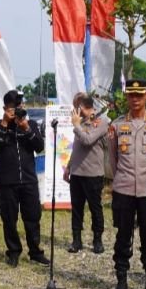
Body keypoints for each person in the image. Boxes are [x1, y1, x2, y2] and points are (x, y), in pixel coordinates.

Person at [108, 79, 146, 289]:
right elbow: (112, 160)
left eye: (139, 95)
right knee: (123, 236)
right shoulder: (117, 125)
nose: (134, 99)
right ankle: (121, 282)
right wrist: (122, 177)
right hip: (123, 189)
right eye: (131, 95)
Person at [0, 90, 49, 267]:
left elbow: (39, 147)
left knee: (33, 217)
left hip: (28, 180)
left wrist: (26, 128)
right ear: (5, 109)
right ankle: (13, 252)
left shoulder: (30, 124)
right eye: (14, 108)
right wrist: (5, 122)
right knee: (9, 219)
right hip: (7, 182)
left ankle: (35, 251)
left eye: (20, 106)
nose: (18, 110)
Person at [64, 93, 108, 254]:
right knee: (77, 208)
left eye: (77, 107)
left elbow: (88, 140)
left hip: (93, 174)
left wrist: (76, 126)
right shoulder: (81, 122)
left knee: (95, 208)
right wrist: (69, 167)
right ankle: (77, 240)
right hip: (77, 173)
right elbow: (77, 148)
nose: (75, 111)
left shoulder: (101, 122)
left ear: (83, 107)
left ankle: (97, 240)